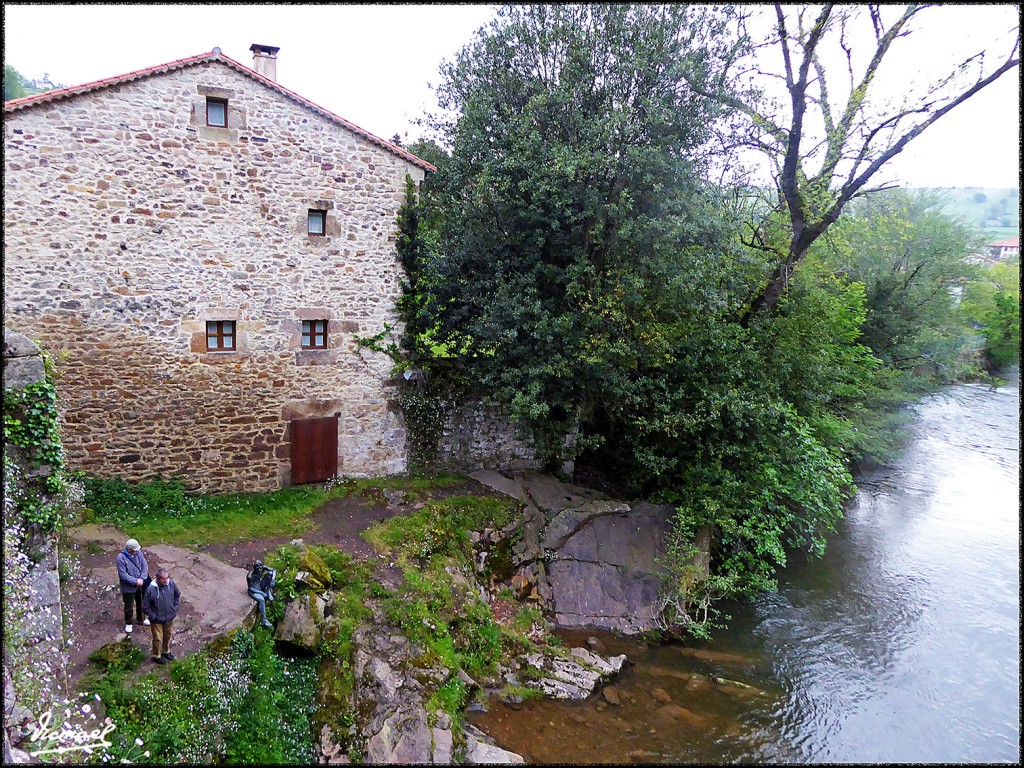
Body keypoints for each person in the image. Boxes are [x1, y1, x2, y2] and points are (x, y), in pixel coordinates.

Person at [142, 568, 180, 664]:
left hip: (169, 617)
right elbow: (145, 607)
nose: (166, 580)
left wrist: (175, 608)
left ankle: (166, 651)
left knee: (168, 635)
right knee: (158, 639)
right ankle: (156, 655)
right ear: (158, 578)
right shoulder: (150, 590)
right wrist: (153, 616)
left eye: (167, 578)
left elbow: (177, 594)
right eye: (163, 579)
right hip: (157, 620)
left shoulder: (171, 584)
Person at [115, 538, 150, 634]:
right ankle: (128, 622)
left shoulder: (138, 553)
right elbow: (123, 575)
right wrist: (135, 581)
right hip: (128, 587)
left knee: (141, 602)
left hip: (140, 583)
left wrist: (142, 578)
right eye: (134, 550)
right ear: (129, 549)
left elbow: (144, 565)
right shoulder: (121, 558)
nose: (137, 551)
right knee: (129, 605)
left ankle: (141, 618)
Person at [246, 560, 276, 628]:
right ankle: (264, 620)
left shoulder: (263, 568)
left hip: (259, 584)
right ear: (254, 568)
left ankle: (268, 591)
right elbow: (250, 588)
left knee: (270, 575)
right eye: (257, 568)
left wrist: (273, 580)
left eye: (260, 567)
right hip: (254, 590)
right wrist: (261, 593)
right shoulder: (250, 576)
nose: (259, 569)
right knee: (261, 599)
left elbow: (274, 570)